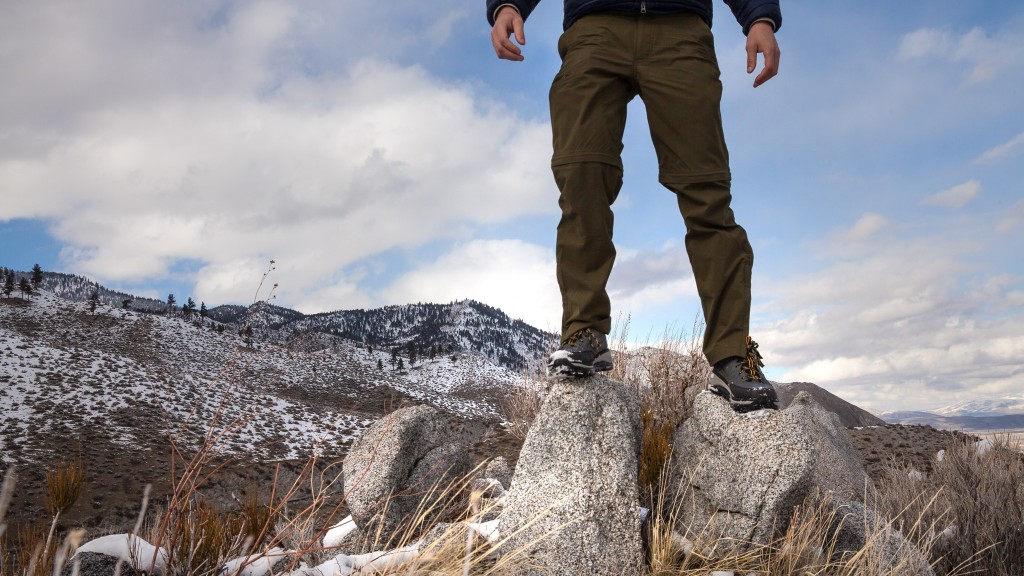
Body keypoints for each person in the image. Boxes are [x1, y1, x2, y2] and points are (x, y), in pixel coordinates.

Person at [487, 0, 781, 411]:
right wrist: (508, 4)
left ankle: (733, 354)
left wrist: (760, 17)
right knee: (582, 177)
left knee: (708, 195)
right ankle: (583, 330)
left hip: (680, 31)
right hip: (594, 28)